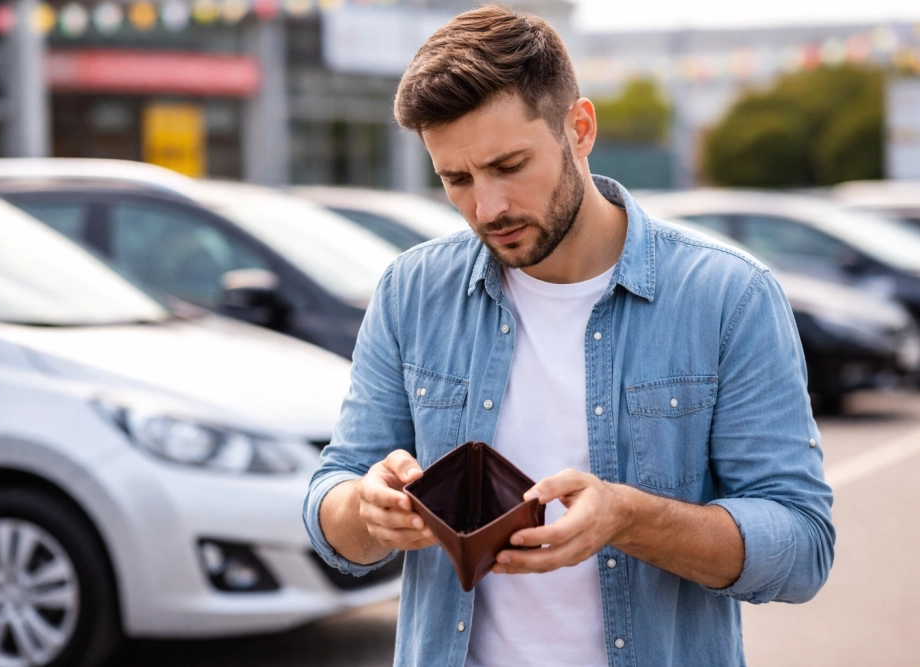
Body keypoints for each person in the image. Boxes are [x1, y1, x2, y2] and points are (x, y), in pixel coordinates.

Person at [303, 5, 835, 666]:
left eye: (508, 165)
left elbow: (802, 546)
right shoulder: (411, 291)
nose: (487, 207)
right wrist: (365, 509)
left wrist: (628, 517)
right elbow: (331, 507)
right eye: (456, 179)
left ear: (579, 129)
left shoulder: (728, 296)